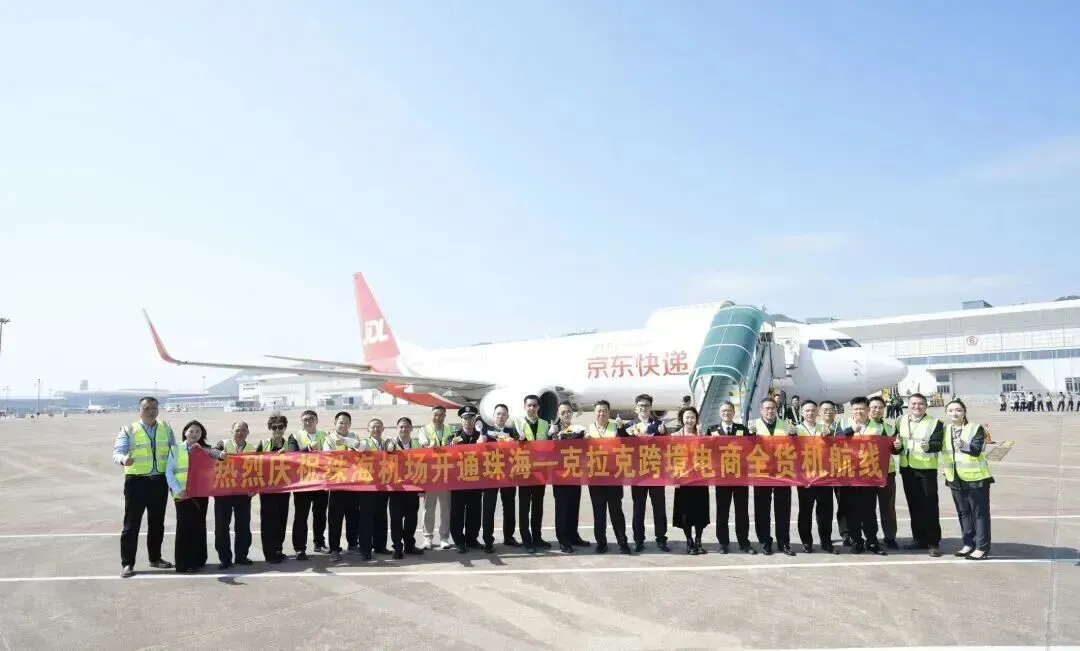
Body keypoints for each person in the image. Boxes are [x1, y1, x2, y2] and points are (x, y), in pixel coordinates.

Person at [113, 396, 176, 578]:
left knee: (157, 523)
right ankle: (127, 563)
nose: (150, 411)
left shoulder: (166, 428)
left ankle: (155, 558)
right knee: (131, 525)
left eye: (154, 408)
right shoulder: (129, 429)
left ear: (158, 410)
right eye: (146, 408)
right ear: (139, 410)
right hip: (136, 483)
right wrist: (124, 459)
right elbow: (117, 453)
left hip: (159, 482)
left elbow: (174, 453)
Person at [165, 419, 227, 573]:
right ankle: (184, 563)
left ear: (201, 434)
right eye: (191, 431)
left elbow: (217, 457)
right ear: (185, 432)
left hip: (200, 494)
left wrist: (219, 454)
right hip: (182, 494)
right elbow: (169, 472)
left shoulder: (205, 449)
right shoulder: (175, 449)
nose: (194, 434)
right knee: (184, 527)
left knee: (199, 525)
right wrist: (177, 489)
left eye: (197, 432)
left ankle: (198, 560)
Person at [941, 399, 993, 560]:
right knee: (963, 513)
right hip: (954, 478)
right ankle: (968, 543)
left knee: (979, 513)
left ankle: (982, 547)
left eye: (958, 410)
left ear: (964, 412)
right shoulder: (945, 430)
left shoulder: (975, 428)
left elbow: (977, 449)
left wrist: (964, 445)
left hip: (976, 478)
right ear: (946, 413)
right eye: (950, 411)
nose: (954, 413)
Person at [836, 397, 886, 556]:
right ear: (852, 410)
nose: (859, 411)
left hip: (869, 476)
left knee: (869, 510)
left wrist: (897, 447)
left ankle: (872, 540)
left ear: (868, 410)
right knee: (851, 510)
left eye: (862, 409)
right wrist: (851, 430)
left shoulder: (878, 427)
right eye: (856, 409)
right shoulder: (843, 424)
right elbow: (836, 441)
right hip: (848, 475)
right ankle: (856, 540)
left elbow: (888, 448)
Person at [897, 393, 944, 557]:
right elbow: (896, 443)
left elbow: (938, 443)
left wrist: (929, 446)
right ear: (908, 405)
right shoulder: (900, 420)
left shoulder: (935, 423)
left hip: (926, 470)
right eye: (913, 404)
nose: (916, 407)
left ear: (926, 406)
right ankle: (918, 539)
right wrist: (896, 446)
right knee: (914, 505)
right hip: (907, 469)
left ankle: (933, 542)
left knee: (929, 506)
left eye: (920, 404)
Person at [586, 400, 633, 554]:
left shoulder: (615, 427)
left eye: (605, 410)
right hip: (595, 477)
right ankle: (601, 542)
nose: (602, 413)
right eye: (599, 410)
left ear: (609, 412)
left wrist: (621, 428)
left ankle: (622, 541)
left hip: (614, 476)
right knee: (599, 512)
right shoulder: (587, 430)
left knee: (616, 510)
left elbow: (627, 442)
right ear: (595, 413)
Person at [706, 401, 754, 554]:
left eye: (729, 410)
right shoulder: (712, 430)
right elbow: (707, 451)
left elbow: (751, 448)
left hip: (740, 476)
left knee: (742, 511)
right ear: (720, 413)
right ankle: (723, 543)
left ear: (734, 412)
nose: (726, 413)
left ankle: (744, 542)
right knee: (722, 511)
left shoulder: (742, 429)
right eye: (723, 411)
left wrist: (753, 435)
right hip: (722, 477)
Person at [750, 397, 795, 556]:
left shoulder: (786, 425)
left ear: (777, 409)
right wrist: (750, 435)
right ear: (761, 410)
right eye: (767, 408)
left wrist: (793, 435)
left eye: (772, 408)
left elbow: (795, 446)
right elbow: (745, 447)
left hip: (783, 471)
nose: (770, 411)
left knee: (783, 509)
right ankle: (765, 542)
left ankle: (784, 543)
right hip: (761, 472)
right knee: (762, 509)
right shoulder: (753, 425)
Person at [627, 393, 670, 552]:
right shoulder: (629, 426)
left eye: (646, 405)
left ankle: (661, 538)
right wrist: (621, 431)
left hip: (656, 472)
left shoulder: (659, 425)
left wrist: (663, 434)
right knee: (638, 508)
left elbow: (668, 446)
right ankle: (638, 540)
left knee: (659, 507)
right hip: (638, 474)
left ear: (651, 407)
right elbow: (621, 446)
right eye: (640, 405)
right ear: (636, 408)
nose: (643, 408)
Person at [477, 403, 522, 552]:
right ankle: (488, 540)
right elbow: (476, 451)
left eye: (503, 414)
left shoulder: (512, 432)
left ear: (507, 417)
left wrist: (519, 442)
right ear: (493, 416)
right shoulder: (485, 431)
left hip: (508, 475)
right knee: (488, 508)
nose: (501, 416)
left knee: (509, 507)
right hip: (490, 476)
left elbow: (522, 450)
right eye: (498, 414)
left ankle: (509, 536)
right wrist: (479, 443)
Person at [794, 400, 837, 554]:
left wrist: (829, 436)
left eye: (813, 410)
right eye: (807, 411)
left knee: (825, 512)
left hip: (824, 477)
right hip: (805, 478)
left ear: (817, 412)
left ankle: (826, 542)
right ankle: (806, 542)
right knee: (805, 512)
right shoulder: (796, 430)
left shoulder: (824, 428)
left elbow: (834, 450)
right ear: (801, 413)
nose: (810, 413)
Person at [256, 413, 299, 564]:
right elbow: (253, 463)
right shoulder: (263, 443)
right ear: (270, 428)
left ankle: (278, 549)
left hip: (284, 489)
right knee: (269, 521)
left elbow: (297, 459)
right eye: (274, 427)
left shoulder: (290, 445)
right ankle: (270, 553)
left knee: (281, 519)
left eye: (280, 427)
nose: (277, 430)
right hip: (267, 490)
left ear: (285, 427)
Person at [213, 421, 255, 569]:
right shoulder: (223, 444)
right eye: (237, 430)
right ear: (232, 431)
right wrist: (219, 454)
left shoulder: (252, 449)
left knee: (243, 526)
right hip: (223, 492)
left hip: (243, 493)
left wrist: (255, 487)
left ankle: (241, 556)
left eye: (243, 430)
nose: (240, 433)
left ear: (248, 432)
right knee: (221, 527)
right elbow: (212, 452)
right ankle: (225, 558)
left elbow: (257, 470)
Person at [514, 394, 552, 553]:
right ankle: (526, 539)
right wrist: (518, 440)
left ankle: (537, 537)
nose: (532, 408)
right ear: (525, 407)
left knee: (538, 506)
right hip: (524, 470)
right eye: (529, 405)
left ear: (538, 407)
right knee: (524, 507)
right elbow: (511, 445)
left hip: (540, 471)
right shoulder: (517, 423)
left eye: (534, 405)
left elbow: (550, 446)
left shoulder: (545, 424)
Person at [551, 400, 589, 553]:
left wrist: (587, 438)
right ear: (558, 414)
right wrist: (552, 437)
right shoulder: (553, 431)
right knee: (562, 507)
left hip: (574, 473)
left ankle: (573, 535)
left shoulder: (578, 429)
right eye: (563, 412)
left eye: (568, 412)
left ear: (572, 413)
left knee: (574, 506)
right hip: (559, 475)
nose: (566, 414)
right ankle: (562, 539)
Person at [291, 410, 329, 559]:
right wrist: (308, 449)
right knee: (301, 516)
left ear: (317, 421)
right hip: (302, 483)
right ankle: (299, 548)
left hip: (321, 481)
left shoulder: (325, 435)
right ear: (302, 421)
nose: (308, 422)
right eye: (305, 419)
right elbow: (292, 455)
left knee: (320, 515)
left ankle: (319, 543)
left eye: (311, 419)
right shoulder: (295, 436)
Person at [672, 406, 709, 554]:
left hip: (700, 479)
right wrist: (674, 477)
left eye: (692, 417)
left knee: (700, 511)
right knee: (685, 512)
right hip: (683, 479)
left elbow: (709, 453)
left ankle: (699, 540)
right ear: (682, 419)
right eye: (687, 417)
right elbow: (671, 458)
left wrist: (702, 437)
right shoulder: (675, 436)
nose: (690, 420)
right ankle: (689, 541)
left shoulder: (702, 434)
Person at [385, 416, 424, 560]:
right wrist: (390, 449)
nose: (404, 429)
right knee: (396, 520)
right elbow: (385, 455)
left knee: (411, 520)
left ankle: (409, 545)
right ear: (397, 429)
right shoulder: (391, 443)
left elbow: (425, 465)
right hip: (396, 489)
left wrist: (423, 487)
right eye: (401, 426)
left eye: (407, 426)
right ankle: (397, 547)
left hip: (412, 488)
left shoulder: (417, 444)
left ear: (411, 428)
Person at [324, 411, 361, 563]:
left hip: (352, 483)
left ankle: (353, 544)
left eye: (346, 423)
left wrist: (347, 442)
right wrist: (348, 452)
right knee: (335, 519)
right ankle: (334, 548)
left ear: (350, 424)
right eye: (341, 422)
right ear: (335, 423)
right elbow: (327, 456)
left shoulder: (354, 436)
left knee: (353, 516)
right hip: (337, 484)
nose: (343, 425)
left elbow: (361, 449)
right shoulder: (329, 438)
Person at [867, 396, 901, 550]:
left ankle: (890, 537)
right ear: (868, 408)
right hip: (866, 473)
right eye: (874, 407)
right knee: (868, 507)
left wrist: (898, 446)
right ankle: (871, 537)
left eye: (880, 407)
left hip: (887, 473)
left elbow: (895, 450)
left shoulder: (889, 428)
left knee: (888, 507)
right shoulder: (861, 427)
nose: (877, 410)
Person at [448, 406, 484, 553]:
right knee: (457, 513)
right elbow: (445, 456)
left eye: (471, 418)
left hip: (476, 481)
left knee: (474, 512)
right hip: (458, 482)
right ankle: (459, 541)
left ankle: (472, 539)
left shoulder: (481, 436)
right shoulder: (454, 437)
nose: (468, 421)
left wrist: (484, 444)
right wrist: (451, 446)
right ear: (461, 420)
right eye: (465, 418)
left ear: (475, 420)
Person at [418, 406, 454, 550]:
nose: (438, 418)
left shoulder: (450, 429)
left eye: (441, 415)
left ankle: (444, 538)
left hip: (446, 474)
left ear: (445, 416)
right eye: (435, 414)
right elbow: (423, 444)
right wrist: (430, 446)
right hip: (431, 474)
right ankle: (427, 538)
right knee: (429, 508)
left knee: (445, 508)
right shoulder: (424, 430)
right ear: (431, 415)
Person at [364, 418, 392, 556]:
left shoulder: (387, 443)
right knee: (367, 518)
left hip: (383, 485)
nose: (376, 429)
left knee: (381, 516)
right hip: (368, 486)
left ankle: (380, 546)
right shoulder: (364, 443)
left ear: (383, 429)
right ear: (368, 430)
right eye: (373, 427)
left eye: (379, 427)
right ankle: (366, 549)